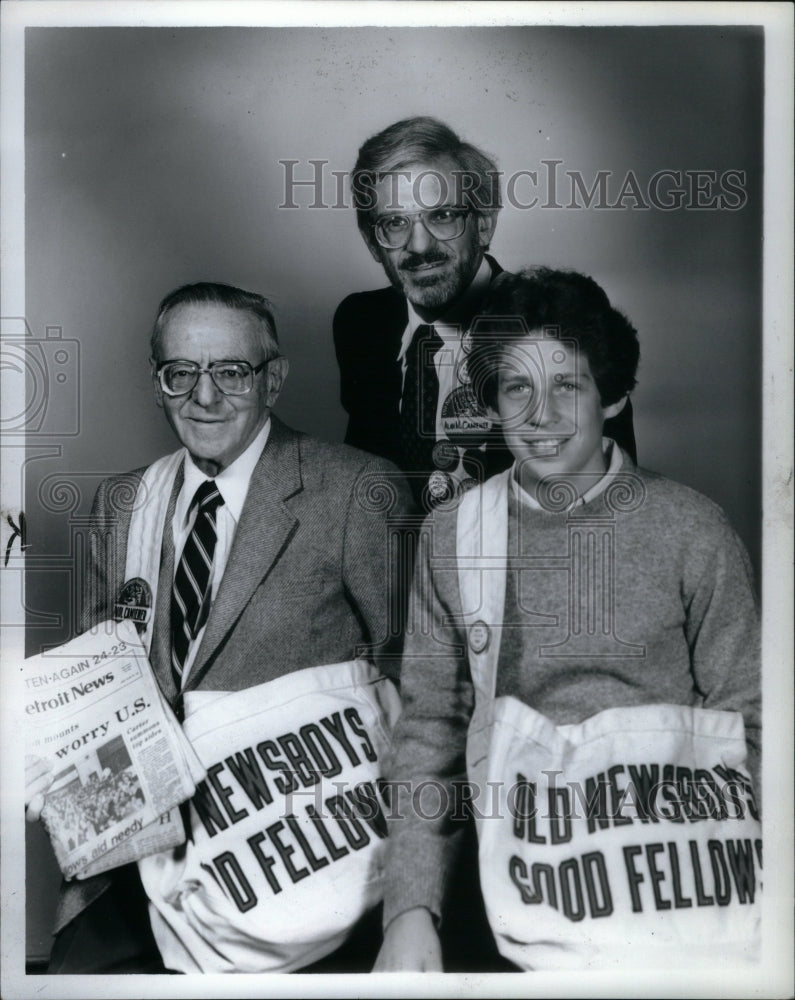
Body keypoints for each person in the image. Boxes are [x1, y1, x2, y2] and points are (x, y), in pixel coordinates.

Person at [375, 268, 761, 972]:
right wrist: (409, 908)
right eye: (517, 387)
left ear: (612, 397)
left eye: (567, 387)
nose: (539, 416)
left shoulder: (693, 530)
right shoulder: (453, 534)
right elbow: (430, 729)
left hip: (671, 878)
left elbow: (751, 724)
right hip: (515, 874)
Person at [26, 281, 411, 974]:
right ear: (157, 381)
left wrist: (413, 899)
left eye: (231, 371)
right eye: (182, 373)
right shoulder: (120, 503)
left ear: (274, 378)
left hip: (298, 871)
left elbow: (415, 696)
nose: (205, 397)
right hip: (137, 866)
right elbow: (95, 695)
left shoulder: (356, 491)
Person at [334, 116, 637, 511]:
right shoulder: (360, 322)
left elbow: (608, 495)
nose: (420, 245)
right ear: (373, 243)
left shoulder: (561, 324)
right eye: (394, 223)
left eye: (443, 216)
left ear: (483, 224)